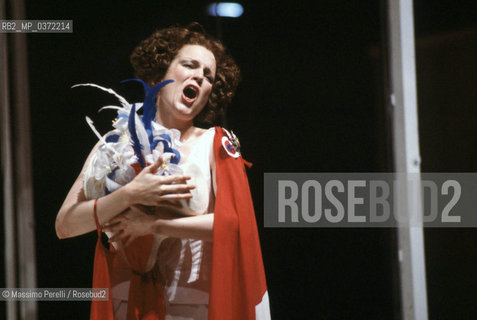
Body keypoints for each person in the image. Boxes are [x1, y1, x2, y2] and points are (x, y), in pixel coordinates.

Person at [56, 24, 270, 320]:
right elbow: (64, 225)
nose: (200, 76)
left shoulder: (214, 142)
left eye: (208, 75)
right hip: (124, 303)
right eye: (190, 65)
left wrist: (155, 225)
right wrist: (130, 194)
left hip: (192, 305)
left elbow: (235, 225)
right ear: (159, 74)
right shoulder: (115, 144)